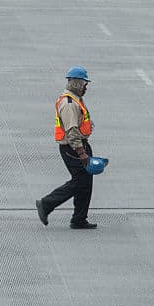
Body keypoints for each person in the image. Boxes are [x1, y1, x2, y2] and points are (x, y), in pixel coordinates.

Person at [36, 66, 98, 230]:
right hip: (73, 149)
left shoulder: (75, 99)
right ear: (77, 83)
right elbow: (71, 131)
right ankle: (46, 204)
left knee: (86, 182)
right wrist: (81, 152)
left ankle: (79, 218)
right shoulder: (69, 103)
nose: (86, 87)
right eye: (84, 84)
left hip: (80, 145)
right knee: (79, 182)